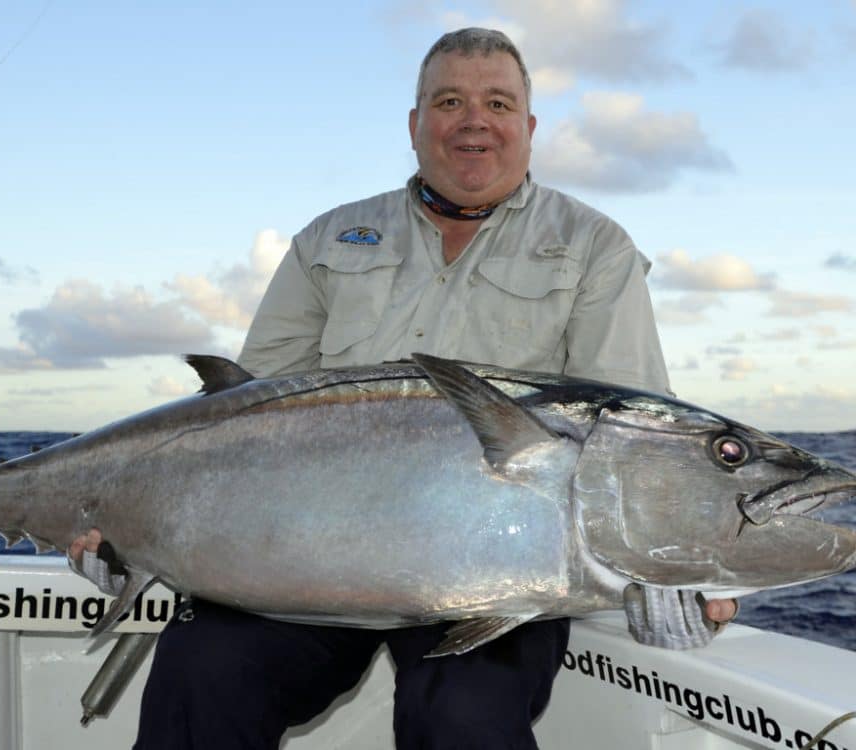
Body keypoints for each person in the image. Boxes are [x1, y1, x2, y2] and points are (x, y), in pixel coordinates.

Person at [70, 27, 737, 749]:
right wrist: (141, 527)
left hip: (499, 586)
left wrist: (669, 566)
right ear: (416, 125)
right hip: (309, 569)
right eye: (449, 101)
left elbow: (632, 436)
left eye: (497, 102)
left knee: (462, 718)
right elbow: (241, 415)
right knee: (202, 674)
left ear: (529, 128)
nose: (474, 120)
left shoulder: (594, 247)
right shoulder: (330, 240)